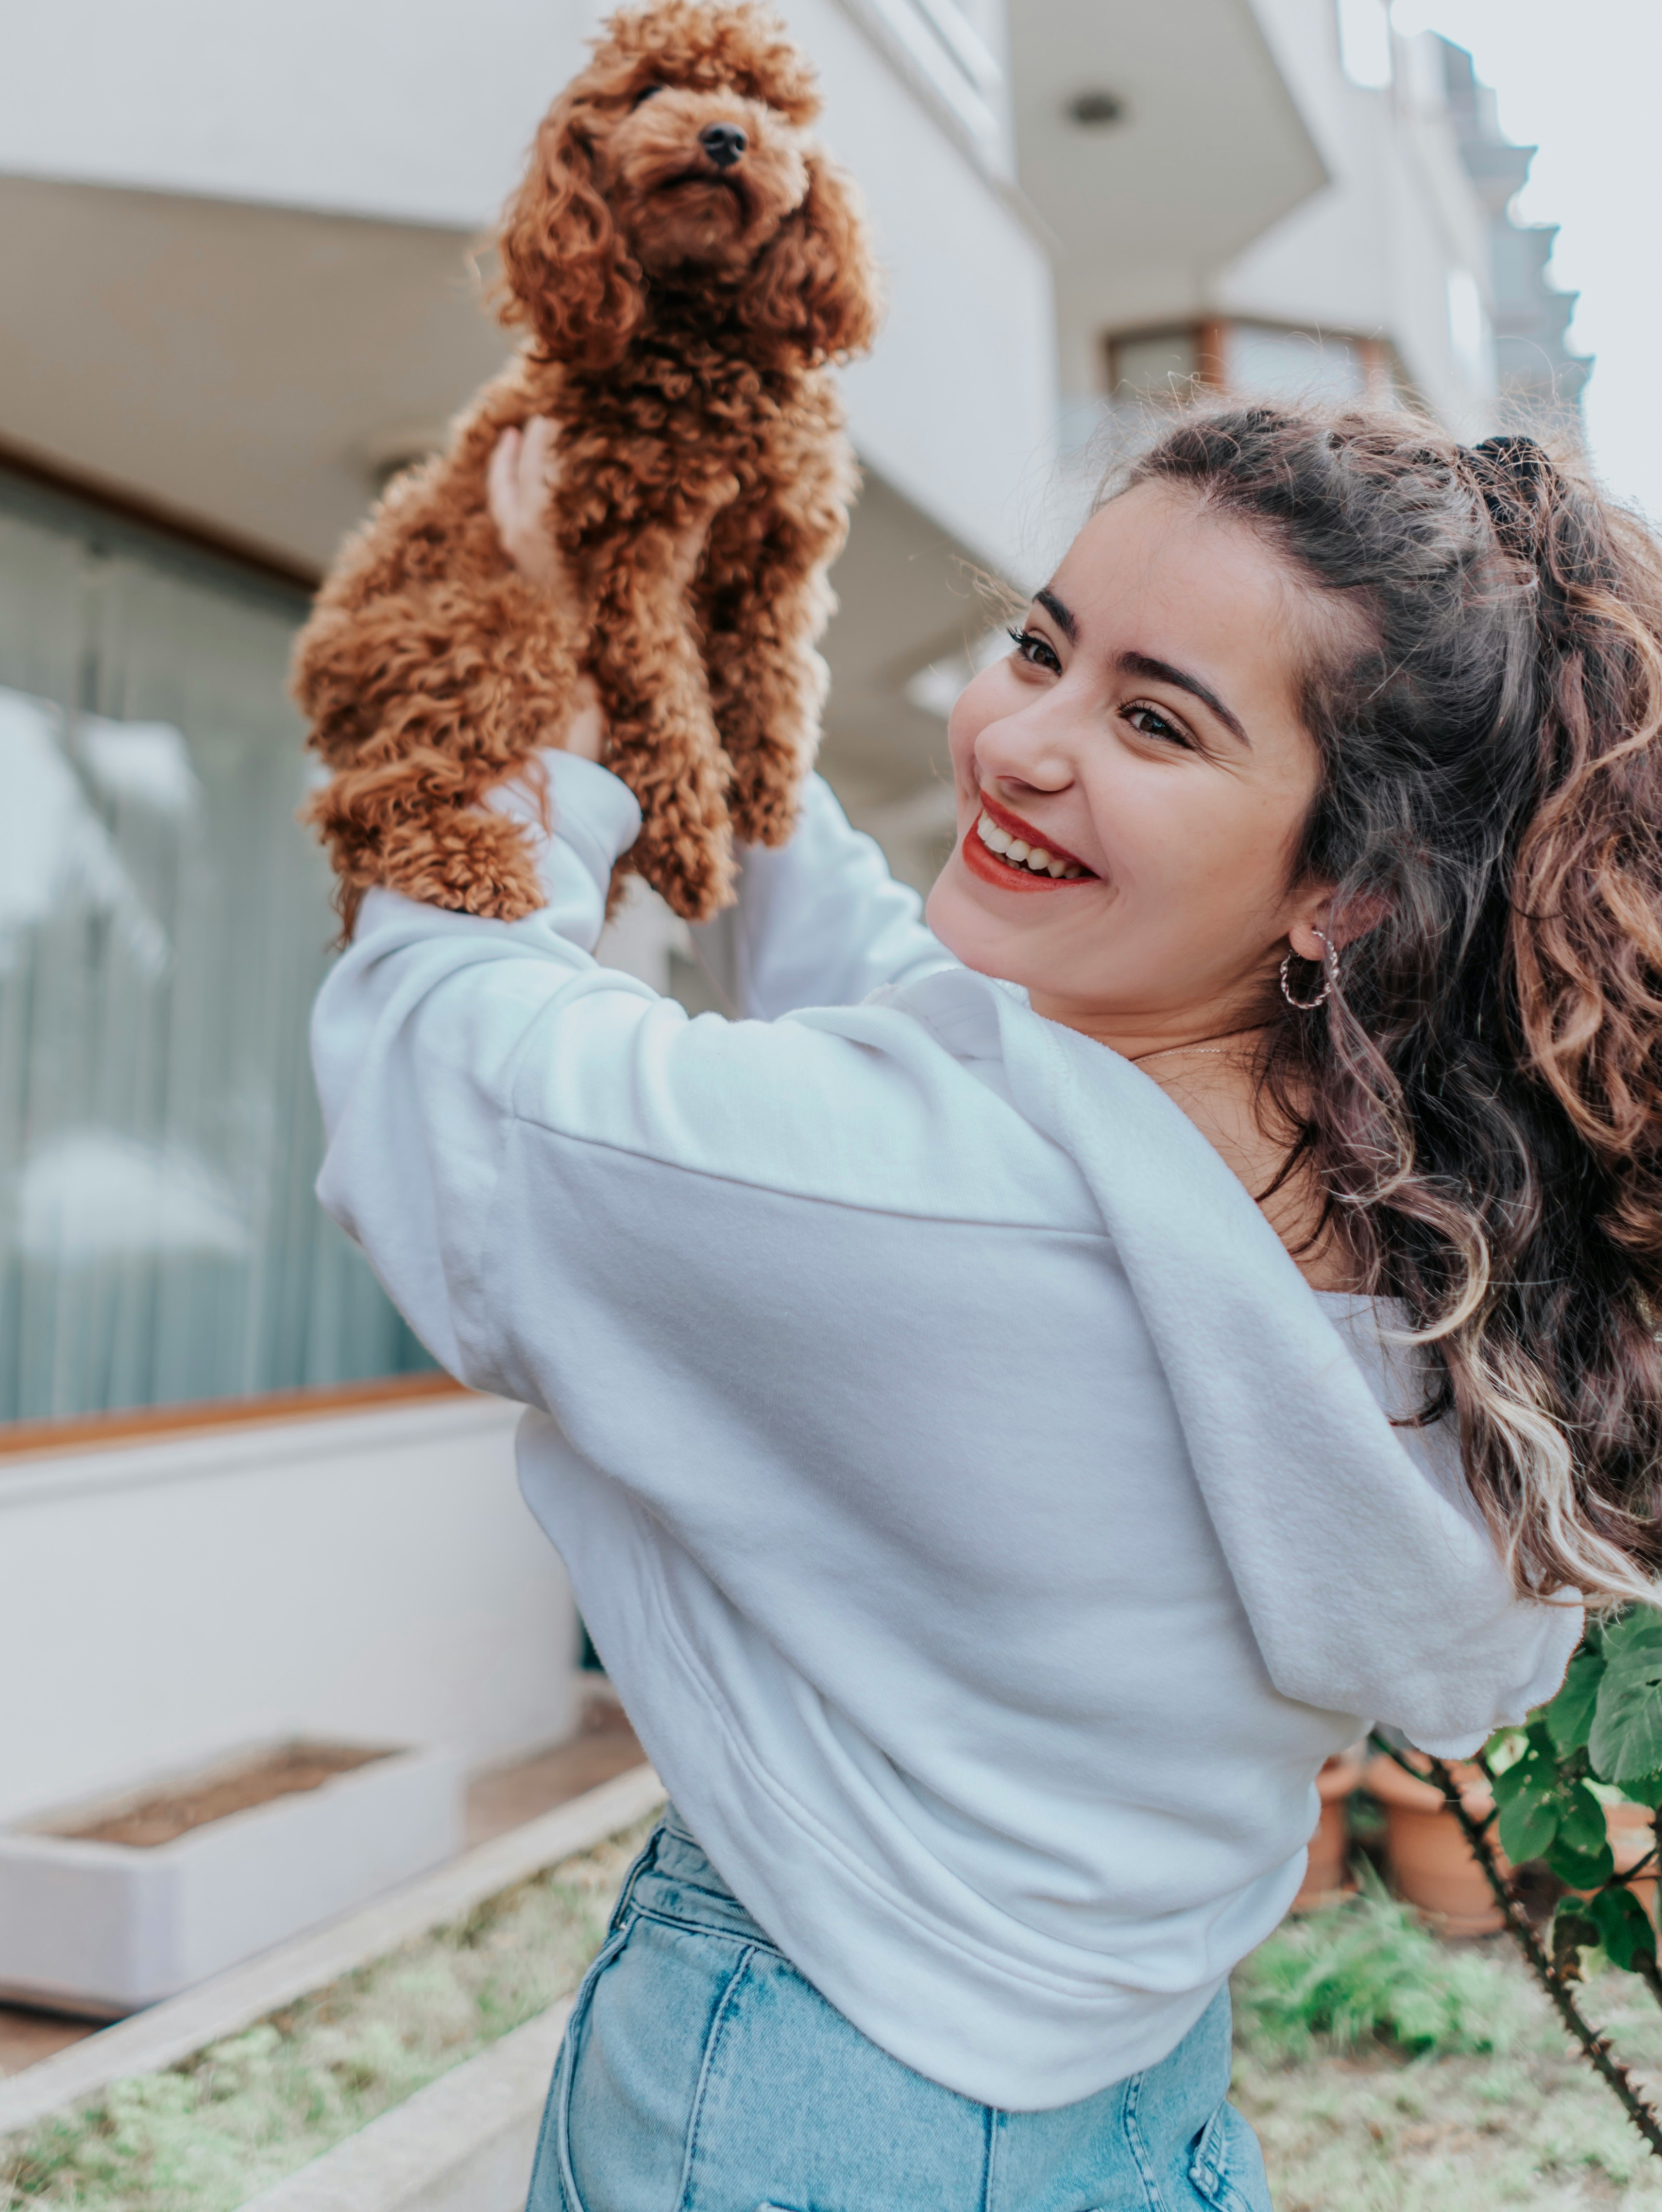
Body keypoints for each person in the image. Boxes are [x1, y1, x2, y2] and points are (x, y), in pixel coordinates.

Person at [310, 402, 1662, 2211]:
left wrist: (536, 655)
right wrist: (736, 695)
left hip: (805, 2105)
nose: (1022, 738)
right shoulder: (1380, 1221)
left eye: (1154, 718)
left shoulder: (964, 1207)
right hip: (1126, 2100)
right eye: (1042, 643)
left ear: (1346, 885)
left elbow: (450, 1090)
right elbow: (939, 1022)